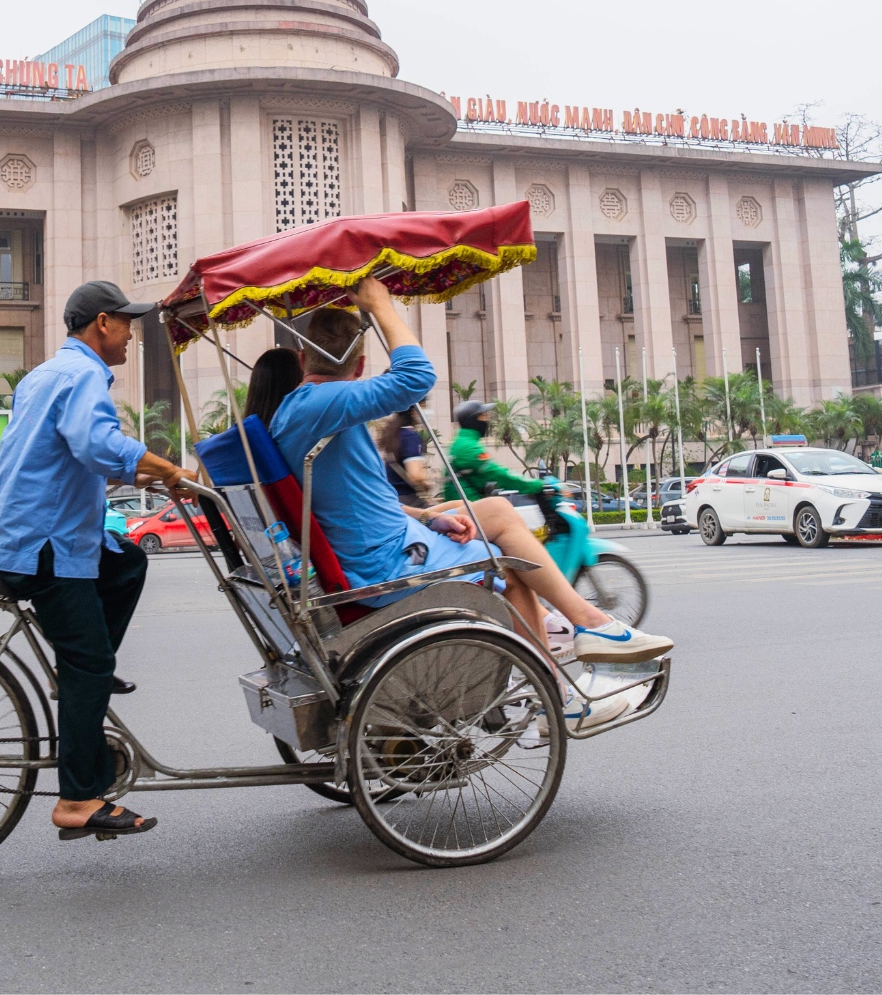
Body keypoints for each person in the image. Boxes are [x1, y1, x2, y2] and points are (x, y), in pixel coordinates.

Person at [264, 277, 673, 727]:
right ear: (359, 367)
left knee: (498, 513)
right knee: (510, 563)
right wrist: (380, 304)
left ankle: (585, 622)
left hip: (392, 537)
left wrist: (426, 516)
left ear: (304, 358)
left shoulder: (304, 408)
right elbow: (416, 377)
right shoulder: (325, 401)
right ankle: (558, 695)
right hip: (386, 564)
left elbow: (352, 498)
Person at [0, 280, 193, 842]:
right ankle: (78, 799)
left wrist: (156, 475)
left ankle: (80, 670)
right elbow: (98, 444)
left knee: (127, 562)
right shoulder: (81, 375)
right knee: (90, 665)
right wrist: (168, 469)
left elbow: (84, 453)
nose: (131, 336)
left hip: (32, 534)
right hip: (46, 546)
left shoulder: (46, 373)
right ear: (103, 323)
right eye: (127, 324)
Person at [444, 400, 544, 504]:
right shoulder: (468, 448)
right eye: (483, 416)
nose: (488, 419)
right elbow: (498, 475)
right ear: (473, 420)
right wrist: (538, 485)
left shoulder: (460, 442)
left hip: (465, 506)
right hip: (470, 510)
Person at [377, 406, 434, 505]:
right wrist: (427, 484)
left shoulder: (395, 434)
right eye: (424, 406)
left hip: (393, 498)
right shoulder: (410, 436)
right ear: (413, 411)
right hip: (408, 499)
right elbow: (415, 474)